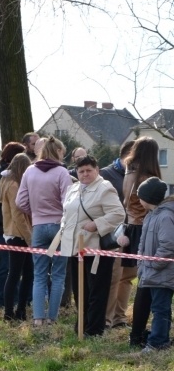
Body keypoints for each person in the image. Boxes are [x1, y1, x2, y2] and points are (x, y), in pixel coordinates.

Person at [58, 155, 125, 336]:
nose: (85, 174)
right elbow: (66, 213)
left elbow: (118, 213)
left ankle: (94, 330)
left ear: (97, 170)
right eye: (81, 171)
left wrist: (97, 224)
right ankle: (82, 324)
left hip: (97, 249)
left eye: (89, 170)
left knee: (97, 290)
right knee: (80, 291)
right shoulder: (73, 189)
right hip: (75, 247)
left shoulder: (105, 188)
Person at [16, 136, 72, 326]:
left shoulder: (29, 171)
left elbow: (20, 202)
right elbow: (69, 204)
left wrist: (36, 213)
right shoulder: (62, 172)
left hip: (38, 227)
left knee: (39, 275)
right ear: (58, 152)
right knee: (58, 275)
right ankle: (52, 318)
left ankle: (38, 318)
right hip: (59, 228)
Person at [120, 138, 164, 347]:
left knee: (141, 282)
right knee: (146, 284)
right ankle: (137, 334)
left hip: (131, 224)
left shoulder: (130, 170)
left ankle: (137, 331)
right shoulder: (147, 176)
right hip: (145, 226)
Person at [134, 177, 174, 352]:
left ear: (148, 198)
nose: (139, 200)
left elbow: (168, 245)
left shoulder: (165, 216)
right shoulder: (151, 215)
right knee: (159, 308)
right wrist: (141, 261)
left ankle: (157, 342)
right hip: (151, 271)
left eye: (140, 196)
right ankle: (161, 338)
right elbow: (143, 242)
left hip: (162, 272)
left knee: (160, 308)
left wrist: (153, 264)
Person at [0, 142, 26, 308]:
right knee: (4, 265)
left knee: (17, 266)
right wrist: (4, 220)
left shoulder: (21, 174)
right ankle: (0, 300)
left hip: (16, 227)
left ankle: (16, 298)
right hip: (0, 227)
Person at [102, 140, 134, 328]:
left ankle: (119, 318)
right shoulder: (106, 174)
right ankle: (106, 318)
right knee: (114, 277)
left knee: (128, 276)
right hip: (114, 233)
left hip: (134, 230)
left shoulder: (139, 175)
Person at [0, 153, 34, 321]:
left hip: (12, 232)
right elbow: (18, 215)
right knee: (17, 274)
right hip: (18, 233)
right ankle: (10, 312)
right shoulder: (14, 185)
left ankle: (19, 310)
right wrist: (30, 238)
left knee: (25, 273)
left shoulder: (5, 181)